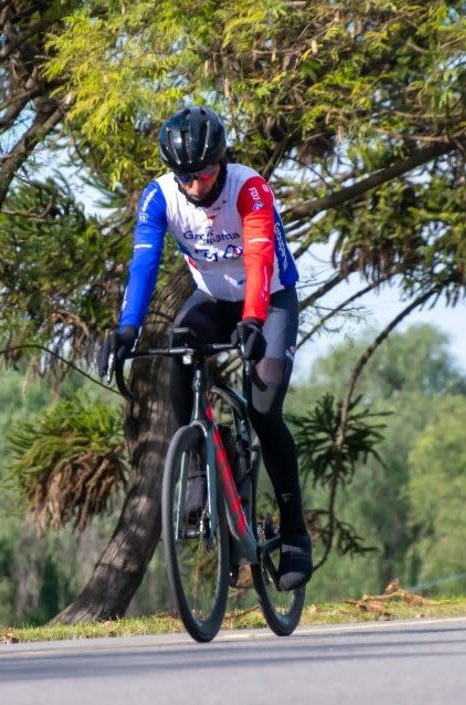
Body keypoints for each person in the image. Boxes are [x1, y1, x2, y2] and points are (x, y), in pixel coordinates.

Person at [99, 105, 311, 590]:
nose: (197, 185)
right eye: (186, 176)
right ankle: (198, 464)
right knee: (178, 349)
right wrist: (126, 330)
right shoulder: (158, 198)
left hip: (270, 297)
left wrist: (254, 319)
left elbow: (258, 257)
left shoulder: (249, 188)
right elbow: (143, 267)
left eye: (206, 172)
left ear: (222, 160)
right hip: (214, 298)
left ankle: (296, 530)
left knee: (263, 410)